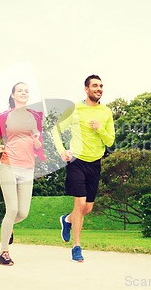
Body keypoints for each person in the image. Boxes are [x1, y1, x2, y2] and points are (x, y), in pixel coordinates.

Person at [52, 74, 115, 262]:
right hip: (76, 161)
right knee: (79, 203)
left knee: (87, 208)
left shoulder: (106, 113)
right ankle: (76, 247)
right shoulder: (75, 109)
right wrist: (62, 151)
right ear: (86, 89)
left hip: (95, 163)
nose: (99, 89)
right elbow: (55, 129)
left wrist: (99, 129)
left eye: (101, 86)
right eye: (95, 85)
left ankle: (67, 220)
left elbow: (110, 140)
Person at [0, 82, 45, 266]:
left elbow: (38, 146)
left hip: (27, 168)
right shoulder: (5, 116)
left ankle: (9, 227)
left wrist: (36, 140)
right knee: (12, 209)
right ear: (13, 95)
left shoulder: (34, 117)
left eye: (26, 91)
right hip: (8, 164)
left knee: (22, 212)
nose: (23, 93)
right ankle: (3, 252)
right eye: (19, 90)